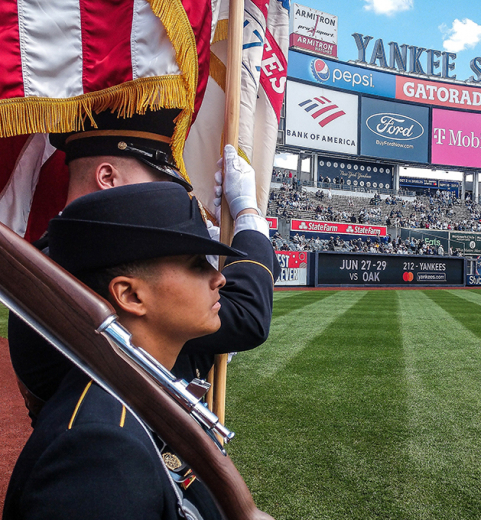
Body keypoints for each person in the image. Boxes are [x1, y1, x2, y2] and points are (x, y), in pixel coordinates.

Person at [8, 108, 280, 424]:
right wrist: (247, 214)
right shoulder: (82, 265)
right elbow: (246, 317)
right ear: (108, 177)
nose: (172, 193)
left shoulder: (63, 255)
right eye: (160, 181)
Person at [3, 183, 245, 519]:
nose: (218, 278)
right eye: (196, 264)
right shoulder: (99, 449)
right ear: (131, 296)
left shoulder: (146, 394)